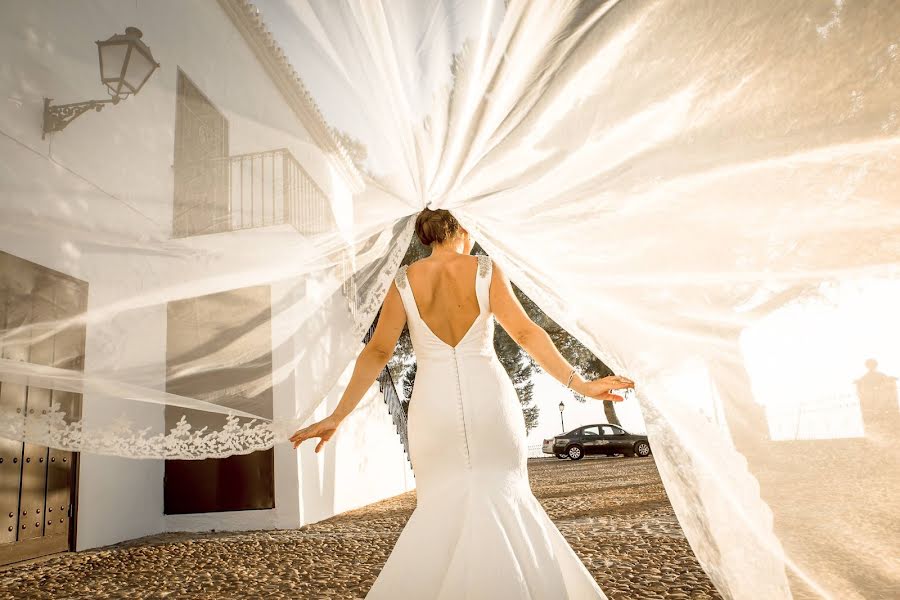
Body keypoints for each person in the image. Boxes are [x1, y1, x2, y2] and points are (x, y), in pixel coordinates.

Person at [290, 208, 634, 599]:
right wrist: (582, 385)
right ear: (462, 227)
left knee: (441, 504)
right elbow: (524, 332)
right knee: (502, 493)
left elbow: (378, 350)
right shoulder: (484, 269)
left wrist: (338, 414)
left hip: (432, 409)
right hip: (489, 399)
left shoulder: (403, 281)